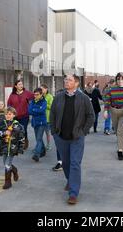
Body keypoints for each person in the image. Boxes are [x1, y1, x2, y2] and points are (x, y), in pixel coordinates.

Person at [50, 74, 95, 205]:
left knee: (75, 163)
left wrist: (83, 131)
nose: (66, 81)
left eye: (69, 80)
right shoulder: (58, 97)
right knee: (66, 162)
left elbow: (90, 116)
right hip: (61, 136)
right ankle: (70, 180)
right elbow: (52, 114)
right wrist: (54, 132)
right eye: (65, 80)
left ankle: (73, 193)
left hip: (77, 137)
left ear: (76, 83)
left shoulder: (84, 98)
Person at [0, 107, 25, 190]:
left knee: (7, 164)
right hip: (4, 147)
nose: (7, 115)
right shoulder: (1, 124)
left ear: (14, 115)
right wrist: (4, 133)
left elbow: (21, 137)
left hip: (13, 148)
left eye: (10, 114)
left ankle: (8, 182)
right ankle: (14, 170)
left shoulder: (18, 125)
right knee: (5, 163)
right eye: (6, 114)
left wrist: (20, 148)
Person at [103, 72, 123, 161]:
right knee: (116, 130)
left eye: (122, 79)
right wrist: (106, 110)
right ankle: (122, 142)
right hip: (114, 111)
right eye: (118, 79)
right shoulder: (111, 89)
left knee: (120, 131)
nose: (120, 81)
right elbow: (107, 100)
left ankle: (120, 151)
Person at [7, 80, 34, 150]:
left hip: (24, 116)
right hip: (15, 116)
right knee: (16, 130)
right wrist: (9, 114)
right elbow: (9, 105)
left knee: (23, 129)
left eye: (22, 84)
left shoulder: (27, 93)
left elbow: (35, 98)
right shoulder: (12, 95)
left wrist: (31, 108)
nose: (21, 85)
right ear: (16, 86)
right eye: (19, 84)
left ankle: (25, 142)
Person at [28, 88, 48, 162]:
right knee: (38, 138)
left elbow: (42, 110)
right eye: (34, 94)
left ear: (41, 94)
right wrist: (36, 110)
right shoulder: (32, 101)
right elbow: (29, 111)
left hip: (42, 123)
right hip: (35, 123)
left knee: (39, 139)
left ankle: (37, 154)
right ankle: (43, 150)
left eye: (37, 94)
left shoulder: (44, 102)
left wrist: (34, 110)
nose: (35, 96)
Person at [41, 84, 54, 151]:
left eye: (42, 89)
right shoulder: (40, 96)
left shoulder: (50, 96)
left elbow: (51, 106)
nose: (41, 90)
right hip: (40, 118)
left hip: (47, 118)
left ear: (46, 89)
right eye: (41, 89)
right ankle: (40, 146)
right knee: (39, 134)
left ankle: (48, 145)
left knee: (47, 133)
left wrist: (44, 105)